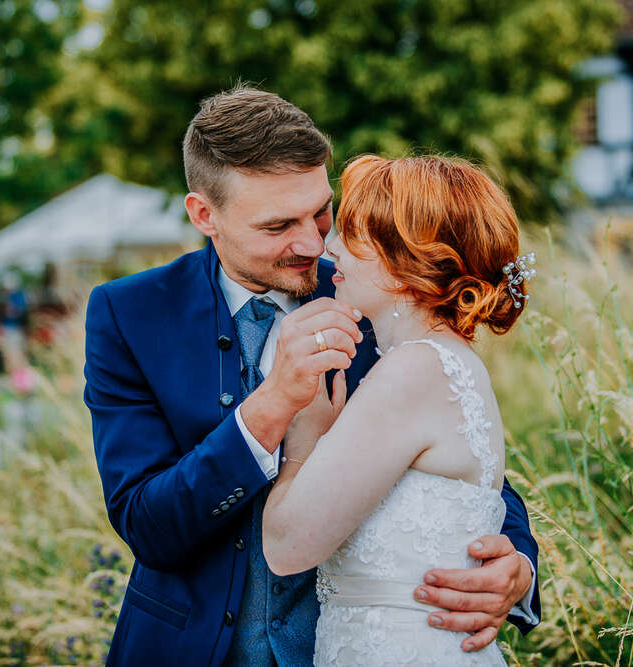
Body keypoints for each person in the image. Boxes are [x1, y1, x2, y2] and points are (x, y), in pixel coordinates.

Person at [84, 86, 539, 667]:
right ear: (205, 215)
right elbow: (147, 523)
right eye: (278, 225)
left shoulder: (381, 292)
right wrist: (271, 406)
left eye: (321, 212)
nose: (313, 243)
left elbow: (470, 464)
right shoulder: (130, 314)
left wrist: (516, 568)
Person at [262, 154, 535, 664]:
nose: (331, 247)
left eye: (354, 234)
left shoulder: (412, 372)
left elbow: (286, 546)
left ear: (407, 260)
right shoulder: (448, 363)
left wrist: (305, 440)